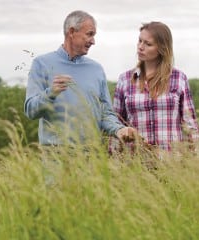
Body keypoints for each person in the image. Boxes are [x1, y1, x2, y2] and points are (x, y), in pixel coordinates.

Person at [24, 10, 137, 148]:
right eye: (89, 34)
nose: (93, 41)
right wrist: (51, 93)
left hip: (92, 155)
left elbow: (106, 113)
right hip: (55, 156)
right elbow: (30, 111)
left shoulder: (96, 69)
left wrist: (118, 129)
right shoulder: (41, 64)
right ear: (71, 32)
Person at [112, 21, 199, 153]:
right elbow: (116, 124)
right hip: (135, 163)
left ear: (161, 48)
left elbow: (190, 125)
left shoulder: (178, 78)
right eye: (140, 41)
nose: (140, 47)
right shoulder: (125, 80)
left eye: (148, 44)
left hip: (172, 162)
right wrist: (113, 160)